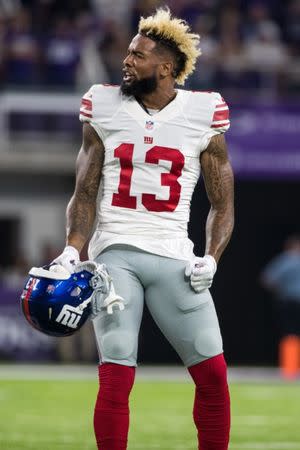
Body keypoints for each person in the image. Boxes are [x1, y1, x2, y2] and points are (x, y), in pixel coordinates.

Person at [53, 7, 234, 450]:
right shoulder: (103, 103)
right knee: (116, 373)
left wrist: (211, 257)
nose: (126, 61)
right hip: (115, 253)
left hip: (175, 254)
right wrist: (73, 250)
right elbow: (85, 190)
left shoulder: (204, 111)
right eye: (129, 52)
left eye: (138, 55)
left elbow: (223, 204)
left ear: (167, 68)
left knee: (212, 377)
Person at [261, 235, 300, 380]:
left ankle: (290, 369)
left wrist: (281, 289)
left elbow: (267, 279)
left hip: (287, 301)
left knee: (290, 333)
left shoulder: (284, 260)